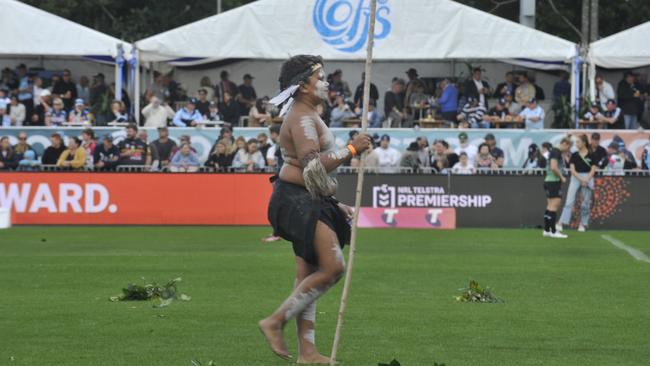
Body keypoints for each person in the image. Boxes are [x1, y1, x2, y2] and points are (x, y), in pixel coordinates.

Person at [262, 55, 371, 364]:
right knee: (333, 267)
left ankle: (307, 352)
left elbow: (309, 171)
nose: (325, 82)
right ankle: (274, 321)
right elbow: (313, 164)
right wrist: (352, 149)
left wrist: (335, 203)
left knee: (306, 276)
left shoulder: (308, 113)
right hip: (297, 201)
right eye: (320, 77)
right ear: (303, 86)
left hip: (306, 198)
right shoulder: (301, 117)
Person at [558, 134, 597, 232]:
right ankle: (561, 223)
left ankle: (583, 224)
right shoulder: (574, 155)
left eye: (578, 142)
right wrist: (582, 179)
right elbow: (572, 170)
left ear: (584, 143)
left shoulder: (592, 155)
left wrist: (587, 179)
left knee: (585, 203)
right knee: (569, 201)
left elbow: (593, 169)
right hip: (576, 178)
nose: (576, 144)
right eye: (576, 142)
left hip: (588, 177)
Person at [542, 137, 571, 238]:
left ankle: (547, 230)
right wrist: (562, 177)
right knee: (554, 205)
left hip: (549, 181)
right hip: (553, 181)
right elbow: (553, 167)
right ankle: (553, 231)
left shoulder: (555, 151)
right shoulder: (556, 151)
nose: (568, 149)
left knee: (550, 206)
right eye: (568, 147)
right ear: (564, 144)